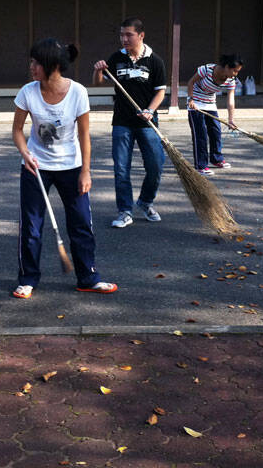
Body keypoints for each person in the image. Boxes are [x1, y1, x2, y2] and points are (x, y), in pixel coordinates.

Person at [12, 38, 117, 299]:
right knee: (31, 226)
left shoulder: (78, 92)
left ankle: (88, 277)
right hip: (36, 166)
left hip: (72, 165)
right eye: (32, 61)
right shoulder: (28, 92)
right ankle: (27, 279)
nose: (32, 67)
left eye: (37, 62)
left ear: (53, 65)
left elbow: (84, 136)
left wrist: (86, 171)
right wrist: (25, 152)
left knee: (81, 223)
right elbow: (17, 130)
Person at [92, 17, 167, 228]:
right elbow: (98, 83)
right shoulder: (117, 58)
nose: (124, 39)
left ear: (141, 35)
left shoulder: (155, 61)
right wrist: (98, 69)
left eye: (129, 35)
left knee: (155, 166)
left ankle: (145, 202)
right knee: (121, 169)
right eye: (121, 34)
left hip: (147, 121)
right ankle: (124, 211)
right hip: (122, 122)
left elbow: (160, 92)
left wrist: (150, 111)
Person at [185, 53, 244, 173]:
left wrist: (231, 120)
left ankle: (216, 159)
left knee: (216, 131)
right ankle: (201, 166)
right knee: (200, 135)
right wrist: (190, 99)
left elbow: (230, 100)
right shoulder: (206, 70)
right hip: (195, 103)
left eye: (238, 71)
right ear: (227, 66)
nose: (236, 74)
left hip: (210, 103)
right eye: (235, 71)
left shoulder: (231, 80)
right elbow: (191, 82)